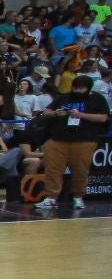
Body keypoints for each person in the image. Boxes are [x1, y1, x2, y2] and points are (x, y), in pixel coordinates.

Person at [36, 74, 109, 212]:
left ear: (88, 88)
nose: (76, 91)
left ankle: (78, 197)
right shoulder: (64, 97)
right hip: (58, 139)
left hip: (84, 140)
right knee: (53, 169)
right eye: (75, 87)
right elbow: (46, 112)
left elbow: (103, 118)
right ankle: (51, 198)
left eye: (80, 88)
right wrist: (56, 113)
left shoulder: (97, 99)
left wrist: (81, 115)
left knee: (80, 171)